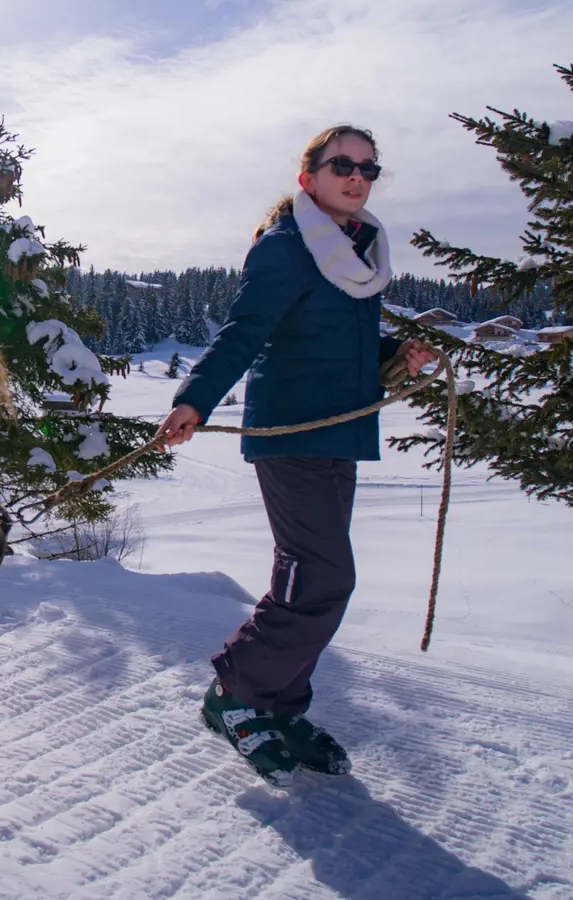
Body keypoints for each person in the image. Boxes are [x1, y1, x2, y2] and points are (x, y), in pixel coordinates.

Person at [156, 123, 437, 786]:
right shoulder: (287, 248)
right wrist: (195, 398)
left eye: (369, 167)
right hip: (291, 430)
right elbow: (247, 330)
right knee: (324, 574)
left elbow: (336, 337)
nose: (357, 176)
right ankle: (237, 693)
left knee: (311, 575)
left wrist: (396, 356)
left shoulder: (359, 252)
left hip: (337, 430)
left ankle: (278, 704)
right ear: (307, 176)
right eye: (342, 164)